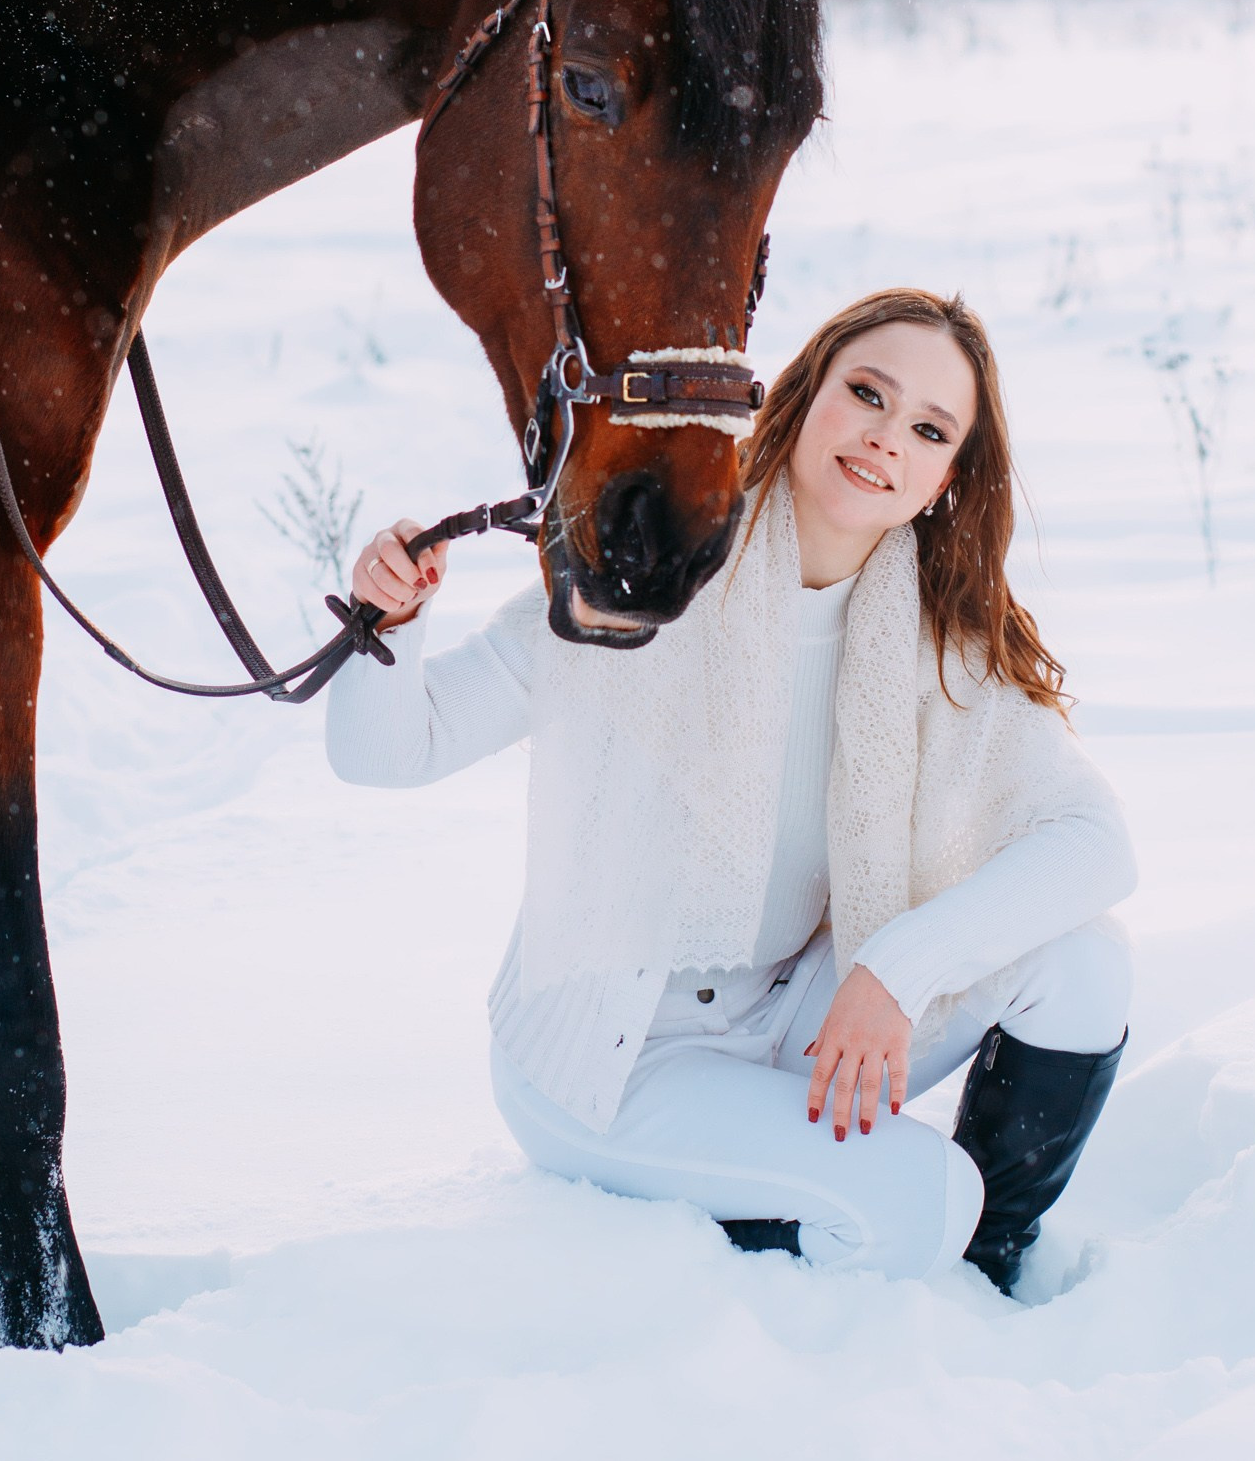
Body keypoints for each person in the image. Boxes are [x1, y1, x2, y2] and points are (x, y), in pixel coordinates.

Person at [326, 288, 1134, 1289]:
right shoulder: (651, 569)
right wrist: (387, 628)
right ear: (799, 399)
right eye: (866, 394)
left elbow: (1095, 843)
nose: (885, 438)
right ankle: (729, 1261)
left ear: (942, 480)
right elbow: (392, 750)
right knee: (920, 1196)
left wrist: (896, 968)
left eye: (927, 429)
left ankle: (982, 1269)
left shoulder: (929, 634)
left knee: (1079, 957)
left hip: (792, 1011)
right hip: (613, 1061)